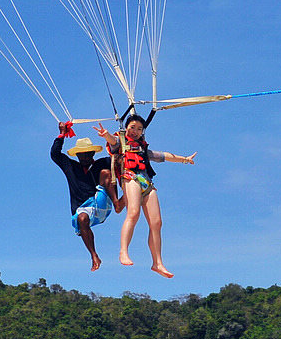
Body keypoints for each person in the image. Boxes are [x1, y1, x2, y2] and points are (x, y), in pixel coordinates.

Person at [95, 115, 196, 278]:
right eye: (132, 127)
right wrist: (105, 134)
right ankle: (123, 251)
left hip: (147, 182)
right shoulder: (121, 143)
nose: (135, 131)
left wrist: (184, 159)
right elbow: (113, 141)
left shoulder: (143, 149)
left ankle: (158, 263)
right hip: (130, 177)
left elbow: (164, 156)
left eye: (139, 129)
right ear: (126, 128)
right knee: (133, 213)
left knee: (156, 223)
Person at [51, 122, 124, 271]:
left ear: (92, 153)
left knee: (106, 173)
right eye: (81, 154)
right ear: (77, 155)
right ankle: (94, 255)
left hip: (100, 203)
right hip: (83, 208)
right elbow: (55, 155)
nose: (84, 157)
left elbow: (118, 157)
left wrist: (120, 145)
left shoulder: (100, 163)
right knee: (82, 218)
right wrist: (62, 135)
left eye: (87, 154)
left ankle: (120, 202)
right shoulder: (70, 167)